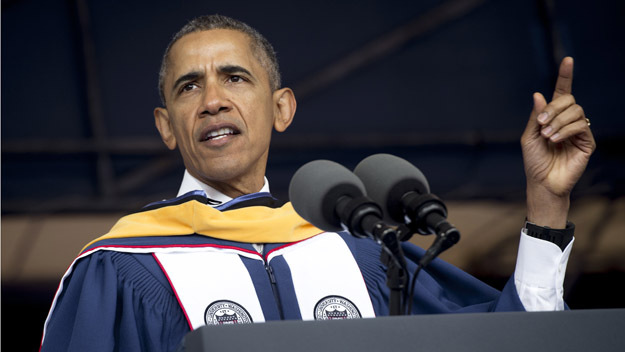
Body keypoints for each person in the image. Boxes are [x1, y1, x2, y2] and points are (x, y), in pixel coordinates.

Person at [39, 14, 595, 352]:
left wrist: (547, 203)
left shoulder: (361, 252)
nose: (213, 101)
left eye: (235, 77)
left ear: (281, 108)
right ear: (166, 127)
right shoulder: (123, 265)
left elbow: (512, 343)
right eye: (189, 87)